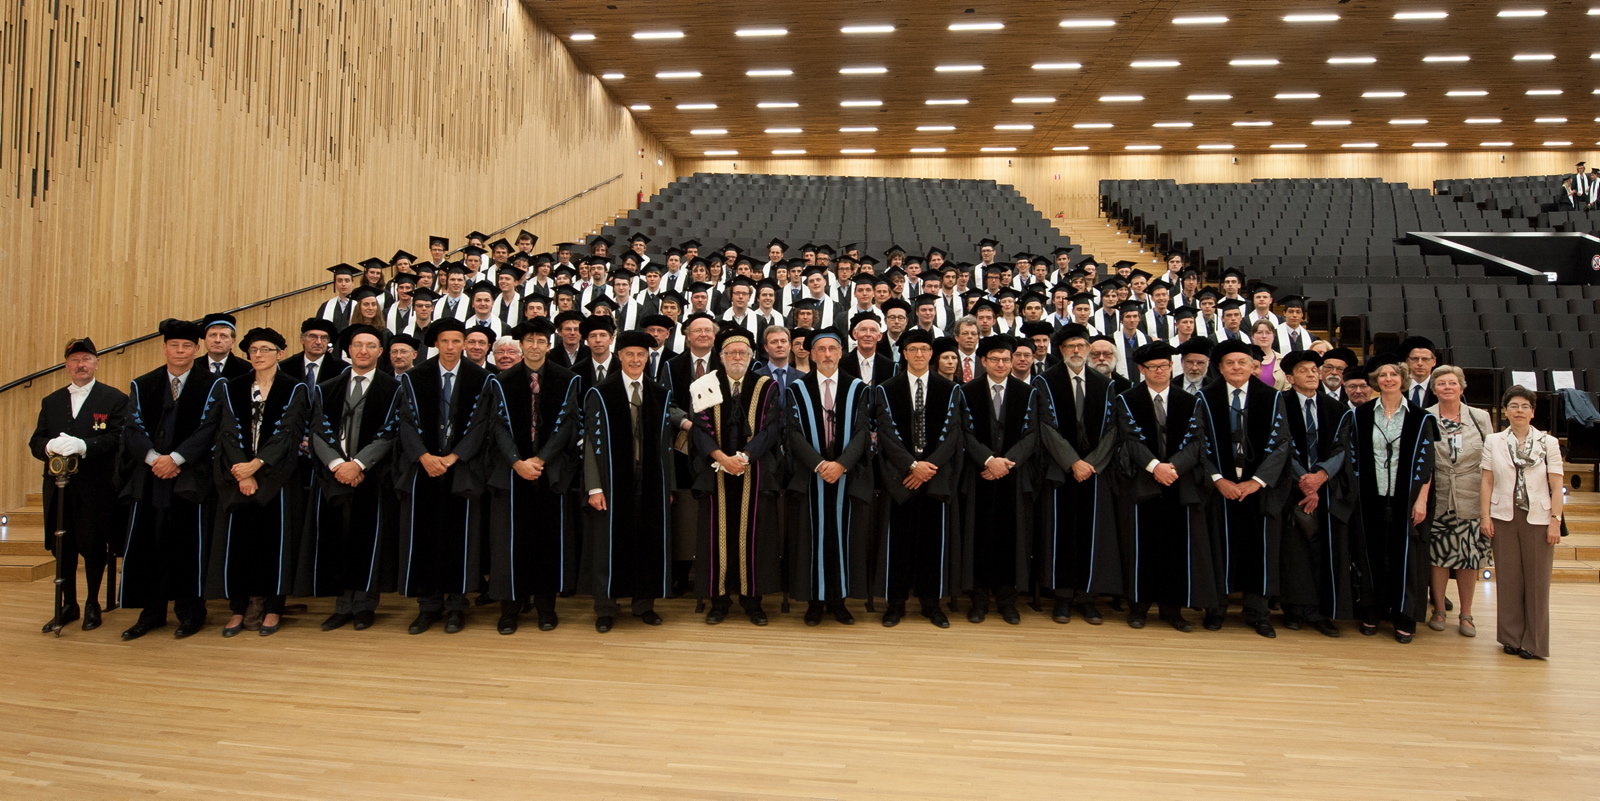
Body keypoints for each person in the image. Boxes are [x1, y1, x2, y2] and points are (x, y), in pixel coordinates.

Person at [119, 319, 220, 640]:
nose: (180, 351)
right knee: (150, 544)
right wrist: (154, 459)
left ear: (197, 349)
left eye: (187, 345)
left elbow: (209, 428)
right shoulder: (143, 384)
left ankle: (190, 613)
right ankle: (151, 612)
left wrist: (175, 459)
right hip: (151, 478)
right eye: (174, 345)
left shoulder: (213, 385)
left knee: (187, 545)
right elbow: (132, 428)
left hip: (190, 478)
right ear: (164, 348)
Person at [394, 318, 496, 634]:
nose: (451, 347)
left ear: (464, 343)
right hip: (424, 468)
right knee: (425, 537)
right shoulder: (415, 378)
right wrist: (424, 456)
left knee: (459, 539)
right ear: (435, 344)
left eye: (456, 341)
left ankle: (455, 606)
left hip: (462, 469)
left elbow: (482, 425)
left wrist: (453, 457)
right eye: (445, 341)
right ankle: (428, 606)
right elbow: (405, 422)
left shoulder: (482, 379)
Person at [583, 330, 690, 632]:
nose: (635, 359)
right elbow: (591, 442)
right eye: (629, 354)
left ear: (647, 358)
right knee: (608, 544)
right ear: (619, 356)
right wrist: (594, 487)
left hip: (651, 480)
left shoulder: (659, 393)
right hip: (612, 481)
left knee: (648, 541)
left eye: (641, 355)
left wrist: (668, 486)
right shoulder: (601, 393)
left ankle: (644, 604)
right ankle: (606, 607)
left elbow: (666, 446)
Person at [207, 327, 309, 637]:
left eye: (266, 349)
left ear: (280, 353)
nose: (259, 355)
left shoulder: (294, 388)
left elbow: (288, 433)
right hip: (238, 476)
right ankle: (238, 608)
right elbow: (226, 431)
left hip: (277, 479)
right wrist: (243, 471)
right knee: (240, 544)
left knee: (274, 544)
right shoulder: (232, 387)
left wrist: (256, 466)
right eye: (254, 350)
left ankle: (273, 608)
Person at [485, 318, 583, 634]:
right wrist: (517, 462)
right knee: (510, 542)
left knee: (547, 541)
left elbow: (567, 424)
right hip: (512, 473)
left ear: (549, 346)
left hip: (549, 472)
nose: (535, 346)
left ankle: (545, 608)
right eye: (530, 341)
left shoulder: (567, 379)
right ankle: (509, 610)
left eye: (541, 341)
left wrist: (540, 460)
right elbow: (498, 425)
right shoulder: (502, 381)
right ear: (521, 345)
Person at [1112, 341, 1218, 631]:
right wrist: (1154, 466)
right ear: (1141, 369)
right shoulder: (1126, 400)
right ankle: (1139, 607)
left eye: (1164, 366)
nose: (1159, 371)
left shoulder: (1190, 401)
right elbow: (1129, 438)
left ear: (1172, 367)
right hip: (1142, 483)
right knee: (1142, 546)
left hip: (1178, 483)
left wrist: (1173, 467)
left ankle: (1172, 609)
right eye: (1153, 367)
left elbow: (1197, 441)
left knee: (1175, 547)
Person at [304, 324, 401, 632]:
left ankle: (364, 605)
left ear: (380, 352)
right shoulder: (327, 387)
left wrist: (358, 464)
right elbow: (317, 430)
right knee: (338, 540)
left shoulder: (394, 389)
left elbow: (391, 432)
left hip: (372, 476)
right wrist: (337, 465)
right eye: (358, 345)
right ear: (348, 350)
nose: (363, 351)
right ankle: (341, 605)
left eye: (371, 346)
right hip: (334, 476)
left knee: (367, 541)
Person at [687, 327, 786, 625]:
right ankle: (718, 601)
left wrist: (744, 457)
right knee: (716, 538)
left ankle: (752, 600)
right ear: (721, 356)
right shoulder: (705, 384)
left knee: (754, 538)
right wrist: (720, 457)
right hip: (716, 472)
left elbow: (771, 428)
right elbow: (700, 428)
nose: (737, 357)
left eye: (742, 352)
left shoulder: (766, 386)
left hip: (754, 471)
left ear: (752, 356)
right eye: (731, 352)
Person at [31, 337, 129, 632]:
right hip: (59, 489)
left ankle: (92, 604)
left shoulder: (113, 399)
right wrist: (49, 446)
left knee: (93, 545)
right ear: (66, 365)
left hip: (95, 488)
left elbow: (119, 437)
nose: (80, 365)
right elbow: (36, 440)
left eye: (86, 359)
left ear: (96, 363)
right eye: (74, 360)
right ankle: (68, 604)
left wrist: (85, 446)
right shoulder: (51, 401)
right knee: (63, 547)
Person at [1196, 339, 1290, 636]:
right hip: (1219, 488)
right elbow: (1197, 443)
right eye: (1230, 363)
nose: (1236, 367)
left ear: (1253, 366)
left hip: (1257, 488)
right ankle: (1216, 608)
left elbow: (1282, 443)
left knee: (1259, 548)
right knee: (1218, 547)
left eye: (1242, 362)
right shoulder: (1204, 398)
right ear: (1220, 368)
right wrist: (1218, 479)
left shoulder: (1272, 398)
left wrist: (1256, 481)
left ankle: (1257, 612)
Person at [872, 329, 964, 628]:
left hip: (935, 477)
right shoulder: (886, 389)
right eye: (913, 349)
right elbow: (886, 433)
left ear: (931, 353)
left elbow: (952, 434)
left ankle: (931, 603)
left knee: (932, 543)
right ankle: (895, 603)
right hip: (900, 477)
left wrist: (927, 468)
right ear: (904, 353)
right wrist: (912, 466)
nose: (920, 354)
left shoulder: (950, 390)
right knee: (898, 543)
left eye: (925, 349)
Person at [784, 328, 875, 625]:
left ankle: (839, 601)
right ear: (811, 354)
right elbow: (793, 433)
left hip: (847, 476)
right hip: (811, 476)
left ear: (840, 353)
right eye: (820, 349)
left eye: (831, 349)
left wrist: (842, 464)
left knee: (844, 539)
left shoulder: (858, 389)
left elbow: (863, 432)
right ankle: (814, 601)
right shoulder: (796, 389)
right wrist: (820, 464)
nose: (826, 354)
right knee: (811, 539)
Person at [1032, 324, 1121, 624]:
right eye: (1070, 346)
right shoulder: (1045, 382)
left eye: (1081, 345)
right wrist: (1073, 462)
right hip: (1060, 470)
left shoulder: (1104, 384)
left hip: (1094, 473)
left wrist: (1091, 463)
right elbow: (1045, 426)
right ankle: (1063, 597)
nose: (1076, 351)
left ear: (1088, 349)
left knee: (1092, 535)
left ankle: (1087, 597)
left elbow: (1112, 430)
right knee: (1061, 534)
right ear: (1060, 350)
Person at [1349, 356, 1435, 643]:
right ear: (1376, 381)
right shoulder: (1361, 415)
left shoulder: (1420, 417)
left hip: (1404, 498)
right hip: (1371, 495)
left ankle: (1403, 615)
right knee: (1372, 553)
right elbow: (1353, 456)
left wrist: (1420, 500)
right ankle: (1371, 611)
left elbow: (1427, 464)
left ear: (1402, 379)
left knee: (1404, 557)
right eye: (1383, 375)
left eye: (1393, 375)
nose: (1388, 379)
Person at [1274, 350, 1355, 638]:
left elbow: (1343, 448)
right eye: (1303, 370)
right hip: (1291, 487)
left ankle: (1322, 611)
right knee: (1293, 551)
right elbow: (1281, 445)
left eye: (1313, 369)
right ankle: (1294, 609)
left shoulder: (1336, 408)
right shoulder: (1278, 404)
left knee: (1326, 550)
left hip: (1328, 489)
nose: (1311, 374)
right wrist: (1304, 481)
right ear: (1290, 377)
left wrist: (1320, 477)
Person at [957, 335, 1038, 625]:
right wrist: (989, 460)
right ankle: (978, 599)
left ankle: (1007, 600)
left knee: (1010, 538)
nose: (1001, 364)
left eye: (1006, 359)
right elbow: (963, 432)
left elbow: (1032, 434)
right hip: (979, 474)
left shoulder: (1027, 392)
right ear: (984, 361)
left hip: (1013, 477)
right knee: (979, 537)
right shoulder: (966, 392)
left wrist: (1006, 463)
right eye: (995, 359)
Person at [1481, 386, 1564, 660]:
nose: (1519, 411)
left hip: (1539, 517)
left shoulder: (1548, 443)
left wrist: (1555, 521)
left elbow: (1556, 485)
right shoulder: (1493, 441)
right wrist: (1485, 516)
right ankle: (1510, 637)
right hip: (1503, 515)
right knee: (1508, 579)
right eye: (1514, 406)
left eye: (1525, 406)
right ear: (1505, 411)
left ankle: (1534, 642)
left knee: (1538, 582)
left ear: (1532, 412)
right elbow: (1487, 481)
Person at [1424, 365, 1493, 637]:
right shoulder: (1425, 416)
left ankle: (1467, 613)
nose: (1447, 387)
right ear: (1434, 389)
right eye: (1441, 383)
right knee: (1438, 557)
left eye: (1452, 383)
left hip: (1472, 496)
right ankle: (1439, 609)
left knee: (1468, 558)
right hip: (1439, 495)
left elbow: (1490, 459)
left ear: (1462, 387)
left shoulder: (1480, 417)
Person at [199, 313, 251, 379]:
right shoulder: (193, 367)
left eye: (223, 336)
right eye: (213, 335)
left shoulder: (247, 370)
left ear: (233, 342)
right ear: (205, 339)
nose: (217, 340)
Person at [1251, 319, 1287, 389]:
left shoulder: (1282, 360)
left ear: (1273, 336)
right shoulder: (1244, 359)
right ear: (1252, 336)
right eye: (1259, 332)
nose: (1264, 336)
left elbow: (1287, 388)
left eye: (1268, 333)